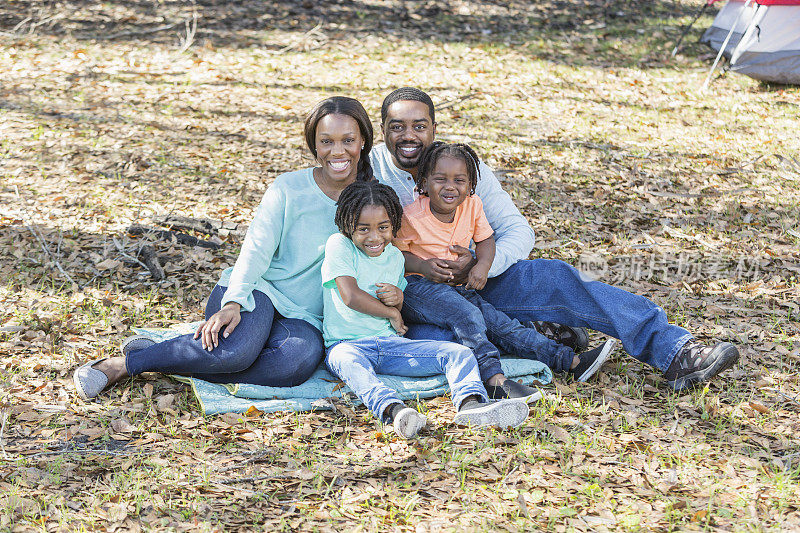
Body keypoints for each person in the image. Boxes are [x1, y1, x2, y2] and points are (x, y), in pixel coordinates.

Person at [370, 87, 740, 395]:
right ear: (382, 130)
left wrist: (480, 266)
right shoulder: (370, 173)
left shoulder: (463, 166)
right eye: (397, 126)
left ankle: (676, 352)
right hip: (415, 296)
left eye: (419, 126)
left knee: (557, 278)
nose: (409, 136)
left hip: (481, 277)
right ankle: (538, 334)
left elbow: (518, 231)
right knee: (443, 335)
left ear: (434, 128)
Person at [73, 96, 376, 399]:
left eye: (348, 139)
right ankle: (123, 364)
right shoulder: (288, 188)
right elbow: (256, 249)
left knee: (294, 364)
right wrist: (234, 301)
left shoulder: (374, 199)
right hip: (260, 290)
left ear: (363, 140)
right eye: (326, 141)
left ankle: (168, 355)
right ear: (314, 144)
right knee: (236, 354)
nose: (338, 151)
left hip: (305, 317)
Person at [395, 140, 618, 396]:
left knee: (501, 324)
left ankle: (572, 362)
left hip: (456, 286)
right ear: (423, 183)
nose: (450, 187)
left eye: (459, 180)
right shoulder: (411, 216)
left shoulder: (472, 206)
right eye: (439, 179)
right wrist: (423, 266)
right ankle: (494, 379)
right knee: (467, 316)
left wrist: (482, 265)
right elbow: (397, 255)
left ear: (470, 185)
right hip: (417, 287)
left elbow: (486, 240)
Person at [322, 180, 529, 439]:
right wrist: (392, 313)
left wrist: (397, 299)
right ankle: (394, 411)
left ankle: (471, 404)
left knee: (460, 353)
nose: (374, 237)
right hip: (345, 344)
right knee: (348, 362)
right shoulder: (339, 245)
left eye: (383, 228)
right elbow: (350, 296)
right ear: (347, 226)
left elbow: (397, 303)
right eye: (363, 229)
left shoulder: (396, 258)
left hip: (390, 345)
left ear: (394, 225)